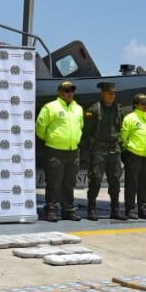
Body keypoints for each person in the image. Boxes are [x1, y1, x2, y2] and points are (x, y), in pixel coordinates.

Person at [36, 80, 83, 222]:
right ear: (59, 92)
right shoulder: (50, 107)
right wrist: (53, 140)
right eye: (66, 90)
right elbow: (40, 128)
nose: (69, 93)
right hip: (54, 151)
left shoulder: (78, 108)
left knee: (69, 183)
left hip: (73, 151)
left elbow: (80, 127)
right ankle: (52, 210)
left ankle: (68, 210)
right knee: (54, 183)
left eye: (71, 90)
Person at [81, 81, 126, 221]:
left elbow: (119, 128)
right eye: (109, 93)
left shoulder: (119, 110)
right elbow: (86, 132)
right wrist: (92, 147)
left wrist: (119, 144)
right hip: (99, 150)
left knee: (115, 181)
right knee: (95, 180)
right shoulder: (94, 110)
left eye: (113, 93)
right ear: (102, 93)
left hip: (114, 150)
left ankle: (115, 210)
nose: (112, 96)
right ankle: (92, 209)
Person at [121, 93, 146, 220]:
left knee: (144, 184)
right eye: (143, 103)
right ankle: (130, 210)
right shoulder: (130, 118)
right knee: (132, 184)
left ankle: (143, 210)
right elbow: (123, 138)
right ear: (135, 104)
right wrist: (125, 154)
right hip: (133, 154)